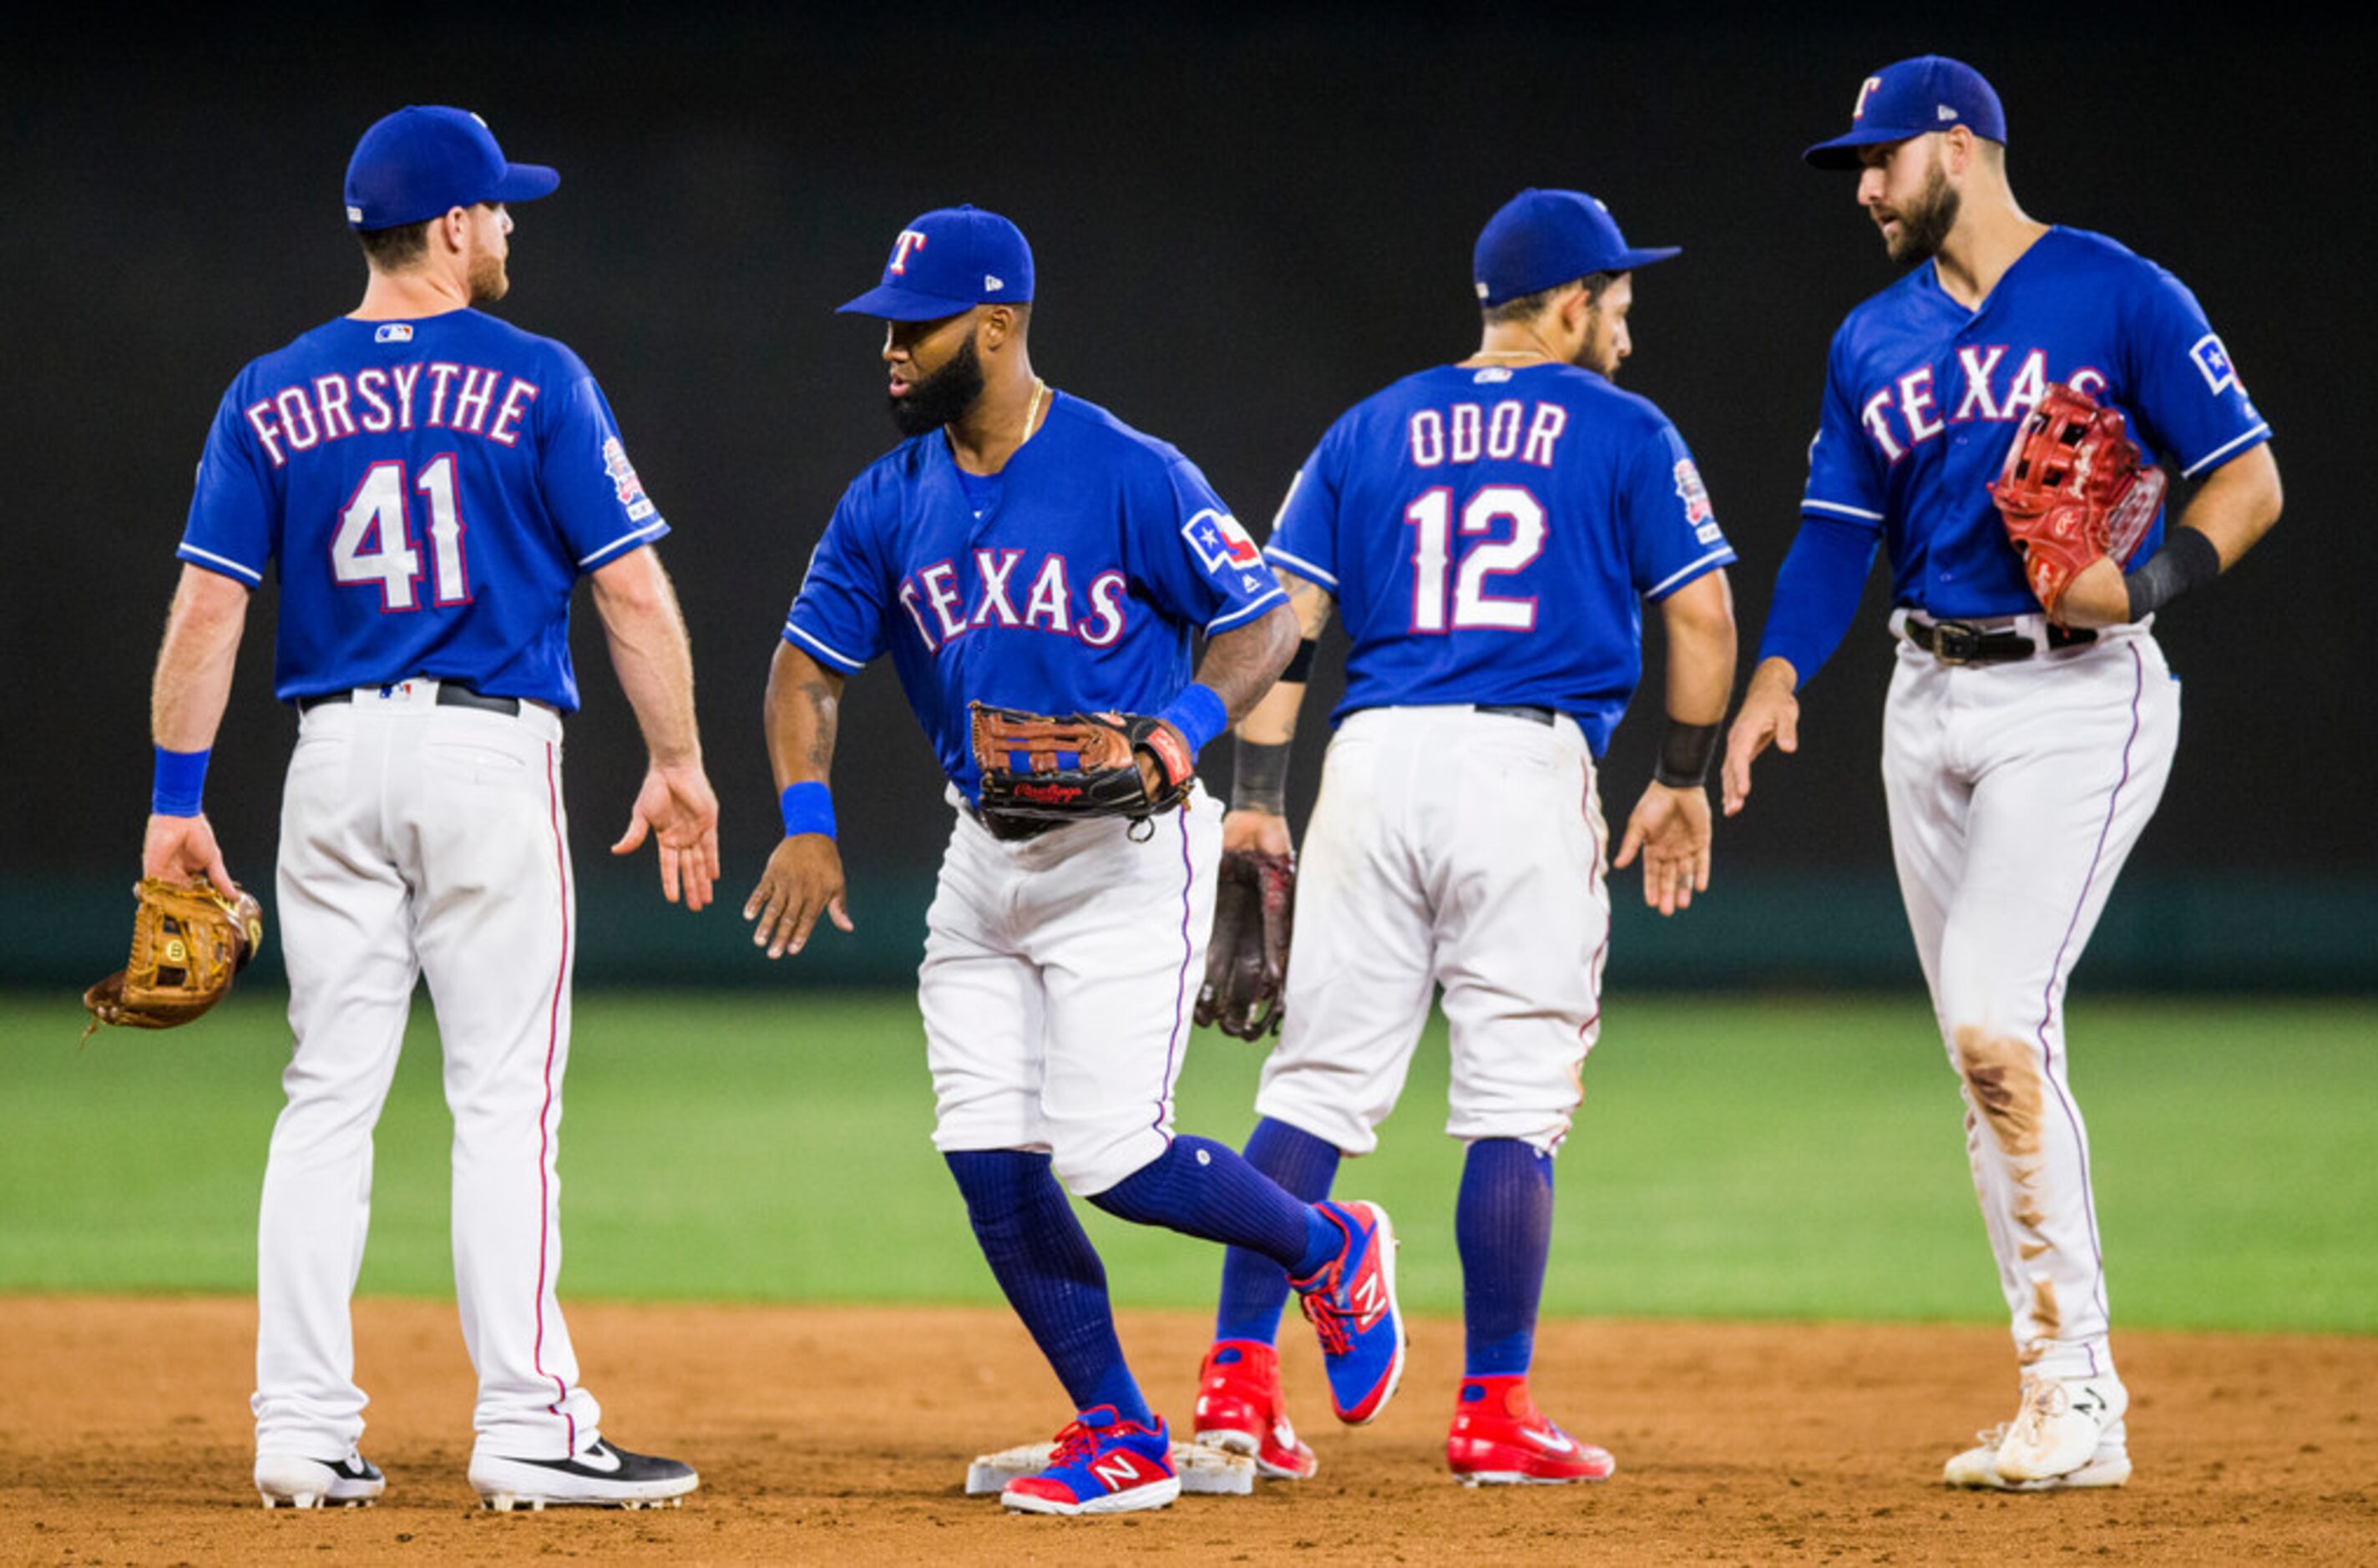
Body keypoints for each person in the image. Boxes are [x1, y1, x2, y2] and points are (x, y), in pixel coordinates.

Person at [744, 205, 1404, 1517]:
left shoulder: (1126, 470)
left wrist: (1181, 731)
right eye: (883, 325)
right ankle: (1120, 1425)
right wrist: (808, 820)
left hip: (1126, 851)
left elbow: (1261, 621)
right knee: (986, 1148)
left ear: (996, 325)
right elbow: (803, 670)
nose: (888, 348)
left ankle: (1330, 1244)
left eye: (912, 325)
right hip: (979, 859)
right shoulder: (889, 497)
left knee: (1112, 1154)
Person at [144, 105, 720, 1511]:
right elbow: (629, 586)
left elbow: (212, 604)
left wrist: (173, 801)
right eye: (501, 208)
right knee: (503, 1103)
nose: (512, 226)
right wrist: (681, 761)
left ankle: (297, 1426)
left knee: (325, 1095)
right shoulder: (538, 378)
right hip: (482, 757)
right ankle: (529, 1419)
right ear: (454, 226)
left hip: (326, 763)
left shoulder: (268, 388)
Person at [1722, 58, 2281, 1491]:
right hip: (1928, 699)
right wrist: (1776, 679)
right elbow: (1837, 532)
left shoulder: (2116, 291)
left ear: (1958, 149)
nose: (1861, 186)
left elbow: (2249, 479)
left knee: (1992, 1024)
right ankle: (2055, 1391)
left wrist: (2144, 584)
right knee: (1990, 1062)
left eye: (1880, 159)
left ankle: (2082, 1393)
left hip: (2076, 694)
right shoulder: (1871, 339)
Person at [1187, 189, 1738, 1486]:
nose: (1626, 325)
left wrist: (1258, 794)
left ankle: (1235, 1386)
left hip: (1373, 762)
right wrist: (1679, 775)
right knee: (1514, 1097)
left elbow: (1277, 627)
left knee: (1311, 1085)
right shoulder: (1624, 426)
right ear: (1565, 305)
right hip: (1521, 765)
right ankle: (1493, 1409)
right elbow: (1703, 619)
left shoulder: (1366, 426)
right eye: (1615, 300)